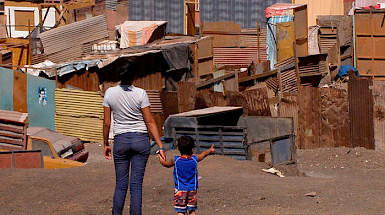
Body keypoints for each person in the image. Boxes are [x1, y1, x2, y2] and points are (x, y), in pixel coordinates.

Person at [103, 62, 166, 215]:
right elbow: (150, 121)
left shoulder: (109, 93)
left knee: (121, 184)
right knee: (136, 185)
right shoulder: (140, 93)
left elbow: (106, 122)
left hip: (120, 141)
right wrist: (160, 146)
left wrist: (105, 143)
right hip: (140, 140)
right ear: (134, 76)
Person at [157, 136, 215, 215]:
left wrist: (161, 159)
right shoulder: (194, 159)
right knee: (191, 210)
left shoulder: (176, 160)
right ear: (192, 149)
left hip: (180, 189)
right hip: (192, 188)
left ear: (178, 149)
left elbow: (166, 164)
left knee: (180, 211)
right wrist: (210, 150)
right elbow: (203, 154)